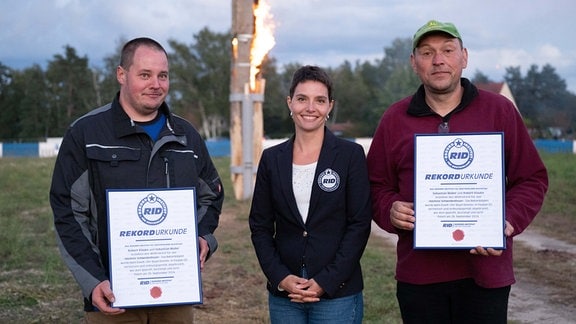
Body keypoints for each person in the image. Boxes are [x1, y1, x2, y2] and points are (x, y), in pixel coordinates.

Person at [367, 20, 548, 323]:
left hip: (486, 273)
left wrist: (507, 220)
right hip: (420, 276)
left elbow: (531, 179)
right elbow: (374, 185)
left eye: (447, 50)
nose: (438, 60)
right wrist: (389, 208)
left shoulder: (499, 110)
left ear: (464, 57)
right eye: (427, 52)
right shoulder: (395, 118)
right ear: (414, 63)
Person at [49, 37, 224, 323]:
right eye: (145, 75)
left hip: (174, 292)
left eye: (163, 75)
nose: (156, 84)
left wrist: (203, 236)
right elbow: (67, 212)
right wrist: (93, 280)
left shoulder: (186, 135)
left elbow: (212, 194)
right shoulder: (86, 134)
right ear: (121, 74)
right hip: (112, 295)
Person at [249, 65, 372, 323]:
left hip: (337, 295)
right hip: (286, 297)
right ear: (290, 102)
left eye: (320, 100)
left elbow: (359, 225)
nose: (310, 108)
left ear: (330, 106)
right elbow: (260, 226)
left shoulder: (350, 156)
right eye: (302, 99)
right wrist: (279, 277)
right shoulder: (272, 159)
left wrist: (326, 280)